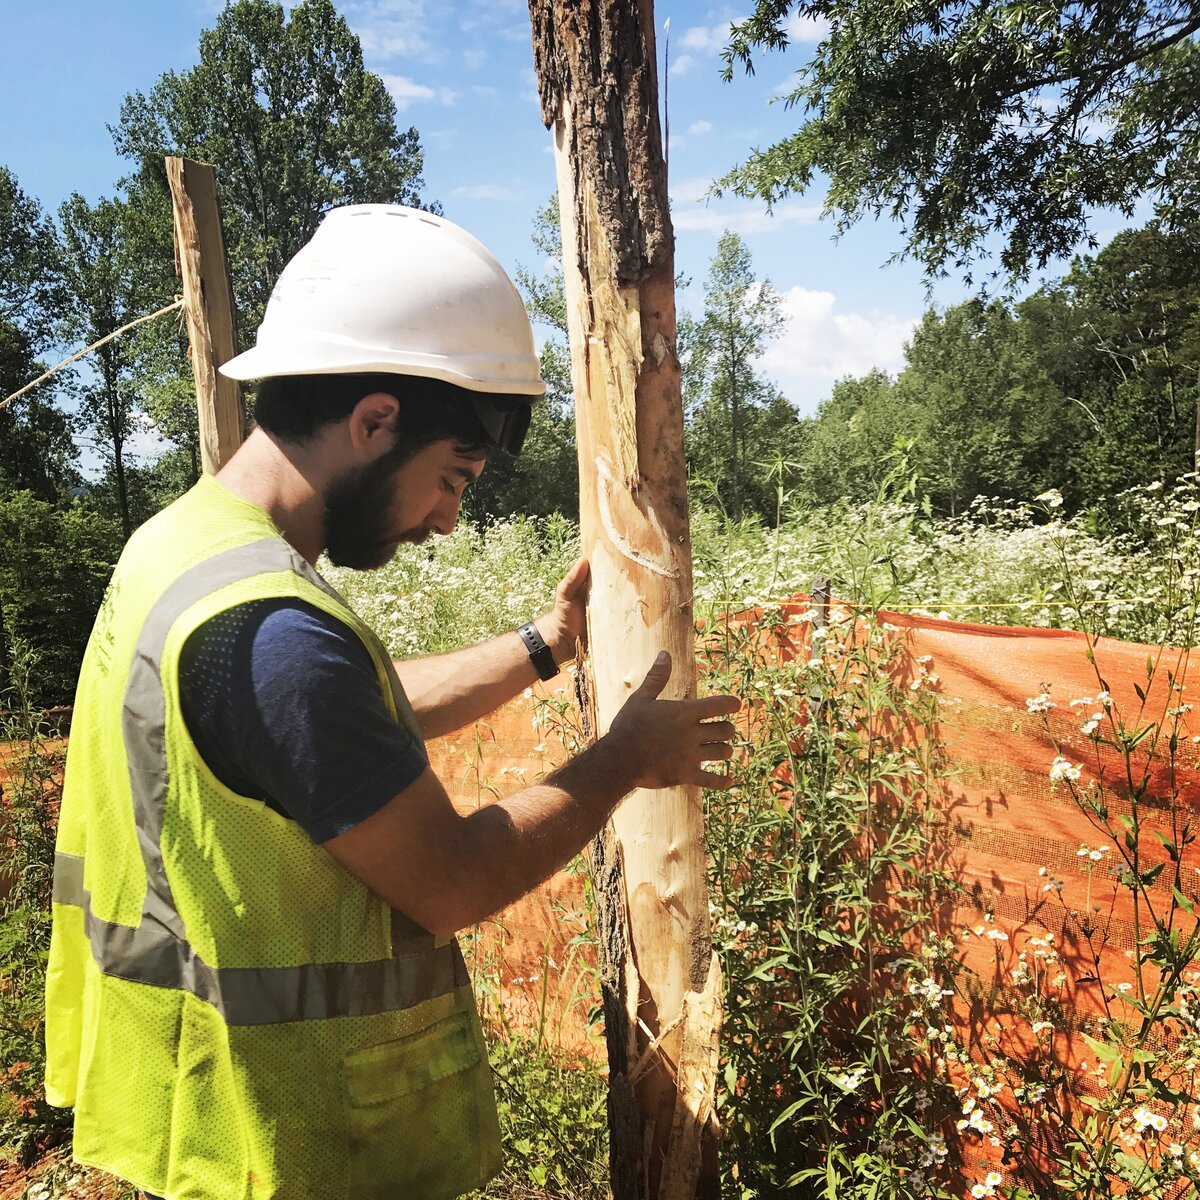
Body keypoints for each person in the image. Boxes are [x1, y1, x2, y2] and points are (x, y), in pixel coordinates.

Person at [44, 205, 739, 1200]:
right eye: (452, 479)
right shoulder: (275, 635)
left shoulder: (185, 551)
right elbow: (451, 880)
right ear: (374, 420)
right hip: (288, 1142)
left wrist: (542, 649)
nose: (449, 522)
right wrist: (624, 760)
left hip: (193, 1101)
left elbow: (319, 734)